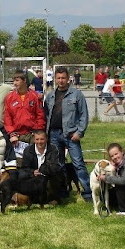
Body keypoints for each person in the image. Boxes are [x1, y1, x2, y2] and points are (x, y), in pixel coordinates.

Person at [44, 66, 92, 202]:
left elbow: (84, 115)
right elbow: (47, 115)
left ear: (68, 78)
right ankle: (63, 191)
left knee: (78, 163)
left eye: (63, 78)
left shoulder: (77, 95)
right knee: (59, 165)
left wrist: (80, 132)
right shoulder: (51, 96)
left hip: (71, 135)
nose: (61, 81)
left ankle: (88, 193)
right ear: (55, 79)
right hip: (53, 134)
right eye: (58, 78)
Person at [19, 130, 64, 202]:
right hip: (34, 178)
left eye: (42, 139)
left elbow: (55, 166)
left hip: (48, 176)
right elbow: (24, 169)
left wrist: (45, 171)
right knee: (22, 175)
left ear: (46, 139)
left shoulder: (53, 149)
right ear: (34, 140)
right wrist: (33, 172)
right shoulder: (28, 150)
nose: (39, 142)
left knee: (57, 175)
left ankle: (53, 198)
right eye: (37, 139)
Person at [4, 70, 46, 145]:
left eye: (17, 80)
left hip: (32, 135)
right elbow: (7, 118)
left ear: (24, 80)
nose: (14, 83)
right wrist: (12, 134)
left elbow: (40, 115)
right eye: (14, 81)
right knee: (18, 157)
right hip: (17, 136)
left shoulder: (35, 96)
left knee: (33, 156)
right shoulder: (9, 97)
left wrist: (38, 132)